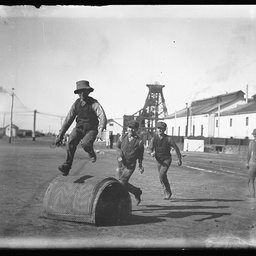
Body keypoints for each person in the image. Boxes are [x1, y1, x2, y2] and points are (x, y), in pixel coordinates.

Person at [55, 80, 107, 176]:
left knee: (85, 144)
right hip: (79, 128)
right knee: (70, 141)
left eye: (84, 91)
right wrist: (60, 134)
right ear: (78, 93)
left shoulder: (94, 103)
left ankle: (91, 152)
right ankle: (66, 167)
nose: (82, 93)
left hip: (91, 129)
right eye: (80, 91)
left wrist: (101, 129)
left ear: (88, 92)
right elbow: (68, 119)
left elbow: (102, 116)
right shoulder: (76, 104)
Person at [148, 121, 182, 200]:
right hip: (158, 160)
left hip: (166, 159)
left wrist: (179, 159)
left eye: (161, 129)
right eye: (158, 128)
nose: (159, 130)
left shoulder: (168, 139)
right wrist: (151, 153)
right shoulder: (154, 138)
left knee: (162, 174)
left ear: (164, 130)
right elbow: (150, 148)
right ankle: (167, 190)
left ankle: (167, 192)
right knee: (161, 177)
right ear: (156, 129)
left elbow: (176, 148)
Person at [116, 120, 145, 205]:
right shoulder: (122, 137)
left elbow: (140, 154)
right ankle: (136, 191)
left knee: (122, 182)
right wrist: (119, 156)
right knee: (121, 183)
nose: (131, 130)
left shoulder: (139, 141)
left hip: (130, 165)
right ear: (127, 128)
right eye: (130, 127)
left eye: (133, 128)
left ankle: (120, 202)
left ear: (136, 130)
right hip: (120, 164)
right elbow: (117, 148)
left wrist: (140, 165)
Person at [246, 128, 256, 198]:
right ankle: (252, 193)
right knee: (251, 178)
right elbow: (249, 153)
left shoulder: (252, 143)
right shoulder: (251, 143)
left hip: (253, 163)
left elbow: (249, 153)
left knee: (251, 178)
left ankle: (252, 193)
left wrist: (247, 162)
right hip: (253, 163)